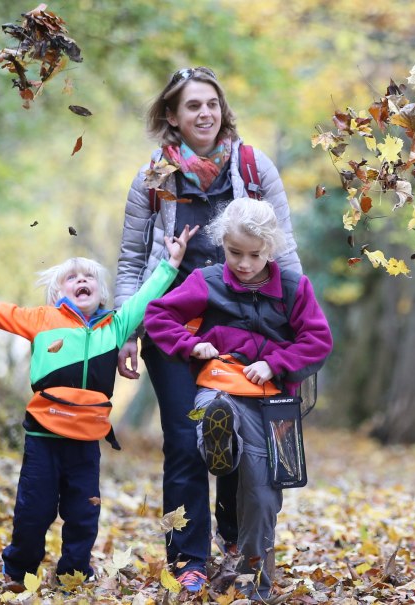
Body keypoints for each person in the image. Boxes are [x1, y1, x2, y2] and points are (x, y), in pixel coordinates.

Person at [0, 226, 197, 587]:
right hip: (43, 438)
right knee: (34, 510)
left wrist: (170, 264)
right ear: (57, 292)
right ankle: (18, 570)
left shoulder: (116, 326)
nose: (82, 280)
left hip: (85, 442)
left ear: (101, 291)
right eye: (72, 278)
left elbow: (145, 297)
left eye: (89, 277)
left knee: (83, 514)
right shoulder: (42, 320)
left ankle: (74, 573)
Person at [115, 66, 303, 594]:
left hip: (242, 328)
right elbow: (132, 259)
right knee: (184, 441)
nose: (204, 113)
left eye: (211, 104)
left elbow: (283, 250)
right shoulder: (153, 178)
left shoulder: (252, 165)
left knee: (238, 435)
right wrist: (126, 330)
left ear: (222, 111)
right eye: (192, 105)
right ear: (171, 116)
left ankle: (234, 538)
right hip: (171, 327)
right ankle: (188, 560)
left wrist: (294, 324)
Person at [144, 198, 332, 599]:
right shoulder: (207, 280)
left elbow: (318, 342)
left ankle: (252, 580)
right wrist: (190, 345)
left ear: (272, 249)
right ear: (222, 245)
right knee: (216, 409)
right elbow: (158, 315)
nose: (244, 264)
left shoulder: (296, 288)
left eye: (254, 255)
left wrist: (276, 364)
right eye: (234, 253)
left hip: (273, 403)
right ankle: (220, 441)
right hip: (220, 385)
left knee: (263, 495)